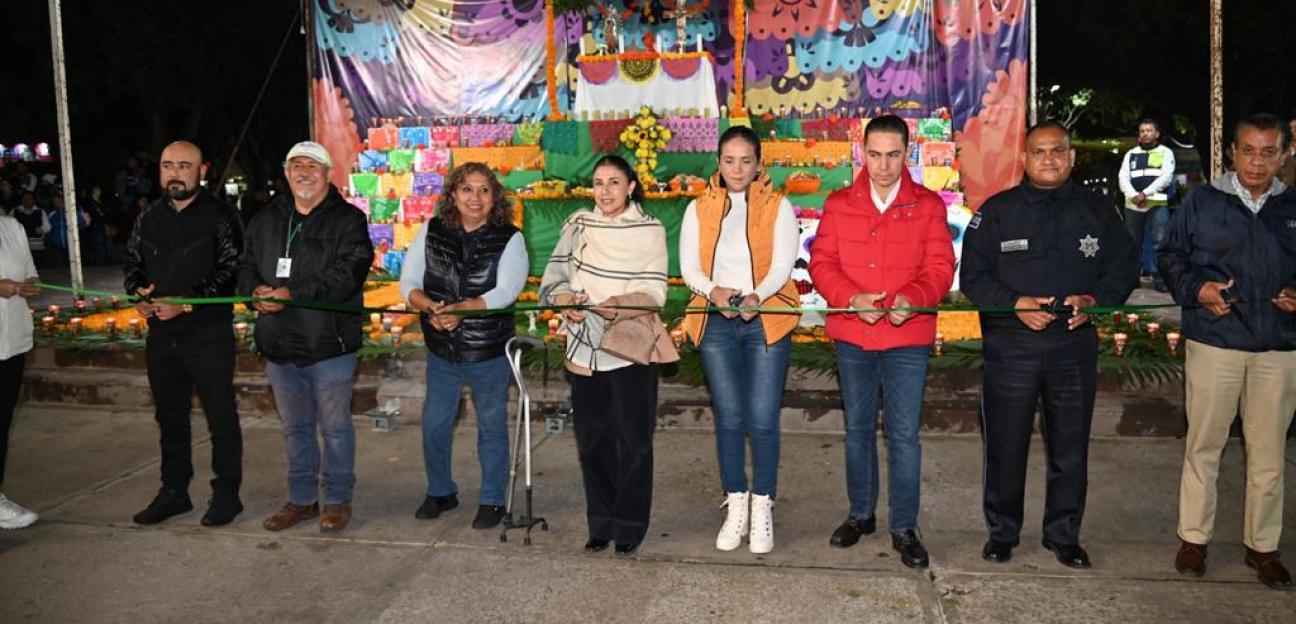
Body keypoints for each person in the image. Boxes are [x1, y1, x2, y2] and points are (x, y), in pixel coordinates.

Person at [960, 121, 1138, 569]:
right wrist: (1014, 303)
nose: (1049, 159)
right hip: (1011, 346)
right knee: (1005, 444)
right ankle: (1002, 533)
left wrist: (1095, 302)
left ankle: (1063, 534)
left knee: (1070, 446)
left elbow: (1123, 267)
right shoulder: (996, 212)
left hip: (1072, 345)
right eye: (1039, 152)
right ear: (1024, 158)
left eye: (1058, 151)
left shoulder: (1098, 210)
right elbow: (974, 277)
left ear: (1072, 157)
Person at [808, 115, 955, 569]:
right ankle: (860, 514)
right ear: (862, 153)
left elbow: (940, 266)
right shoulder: (838, 203)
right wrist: (849, 298)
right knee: (856, 430)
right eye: (875, 154)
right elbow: (822, 262)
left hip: (906, 336)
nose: (884, 165)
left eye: (894, 155)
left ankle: (904, 526)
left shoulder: (928, 205)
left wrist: (913, 298)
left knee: (904, 435)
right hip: (854, 333)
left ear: (908, 154)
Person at [1158, 113, 1296, 590]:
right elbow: (1170, 258)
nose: (1258, 162)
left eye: (1269, 152)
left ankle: (1263, 547)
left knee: (1269, 454)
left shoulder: (1292, 206)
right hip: (1215, 342)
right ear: (1232, 152)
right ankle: (1193, 539)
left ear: (1284, 154)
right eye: (1249, 150)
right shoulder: (1202, 201)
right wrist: (1198, 288)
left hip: (1279, 347)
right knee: (1204, 446)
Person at [539, 154, 677, 556]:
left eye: (614, 182)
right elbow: (554, 282)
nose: (605, 191)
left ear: (631, 186)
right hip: (584, 347)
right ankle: (601, 522)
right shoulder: (578, 225)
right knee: (592, 441)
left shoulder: (649, 230)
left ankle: (631, 524)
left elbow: (656, 291)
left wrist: (618, 304)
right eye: (598, 183)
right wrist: (566, 300)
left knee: (634, 441)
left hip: (629, 345)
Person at [238, 141, 373, 533]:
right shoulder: (265, 219)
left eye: (313, 166)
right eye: (296, 165)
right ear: (286, 173)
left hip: (328, 345)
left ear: (328, 174)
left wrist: (293, 293)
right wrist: (255, 293)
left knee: (334, 427)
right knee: (294, 428)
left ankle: (337, 499)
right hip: (279, 344)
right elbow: (245, 266)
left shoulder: (348, 220)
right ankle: (301, 500)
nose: (304, 172)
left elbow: (347, 275)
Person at [679, 126, 800, 554]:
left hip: (765, 319)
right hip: (716, 321)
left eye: (746, 160)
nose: (737, 169)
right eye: (729, 160)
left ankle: (763, 504)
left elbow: (784, 263)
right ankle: (736, 502)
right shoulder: (699, 208)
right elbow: (689, 266)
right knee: (729, 418)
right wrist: (713, 292)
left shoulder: (779, 206)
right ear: (718, 162)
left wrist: (756, 297)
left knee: (763, 419)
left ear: (759, 164)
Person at [122, 141, 245, 527]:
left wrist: (186, 303)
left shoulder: (221, 216)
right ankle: (174, 492)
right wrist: (138, 292)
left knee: (220, 417)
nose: (174, 173)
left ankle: (227, 495)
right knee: (169, 417)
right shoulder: (148, 218)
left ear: (202, 170)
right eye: (167, 166)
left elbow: (229, 272)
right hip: (162, 337)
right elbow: (133, 265)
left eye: (184, 166)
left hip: (207, 336)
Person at [398, 162, 528, 529]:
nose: (475, 198)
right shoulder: (431, 230)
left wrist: (461, 311)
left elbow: (505, 291)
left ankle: (492, 499)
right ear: (453, 194)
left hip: (488, 350)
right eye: (467, 189)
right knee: (435, 424)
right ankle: (441, 491)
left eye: (484, 190)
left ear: (494, 197)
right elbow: (408, 282)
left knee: (491, 425)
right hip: (442, 348)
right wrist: (430, 307)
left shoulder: (509, 237)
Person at [0, 211, 40, 530]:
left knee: (1, 423)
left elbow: (30, 275)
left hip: (11, 342)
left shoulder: (12, 227)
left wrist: (28, 286)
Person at [1117, 118, 1176, 291]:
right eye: (1142, 131)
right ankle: (1132, 278)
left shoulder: (1166, 152)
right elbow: (1123, 177)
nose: (1145, 133)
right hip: (1133, 205)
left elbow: (1166, 177)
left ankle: (1160, 279)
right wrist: (1134, 195)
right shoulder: (1131, 154)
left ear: (1157, 134)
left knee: (1160, 243)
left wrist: (1145, 194)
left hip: (1156, 204)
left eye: (1149, 130)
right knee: (1132, 243)